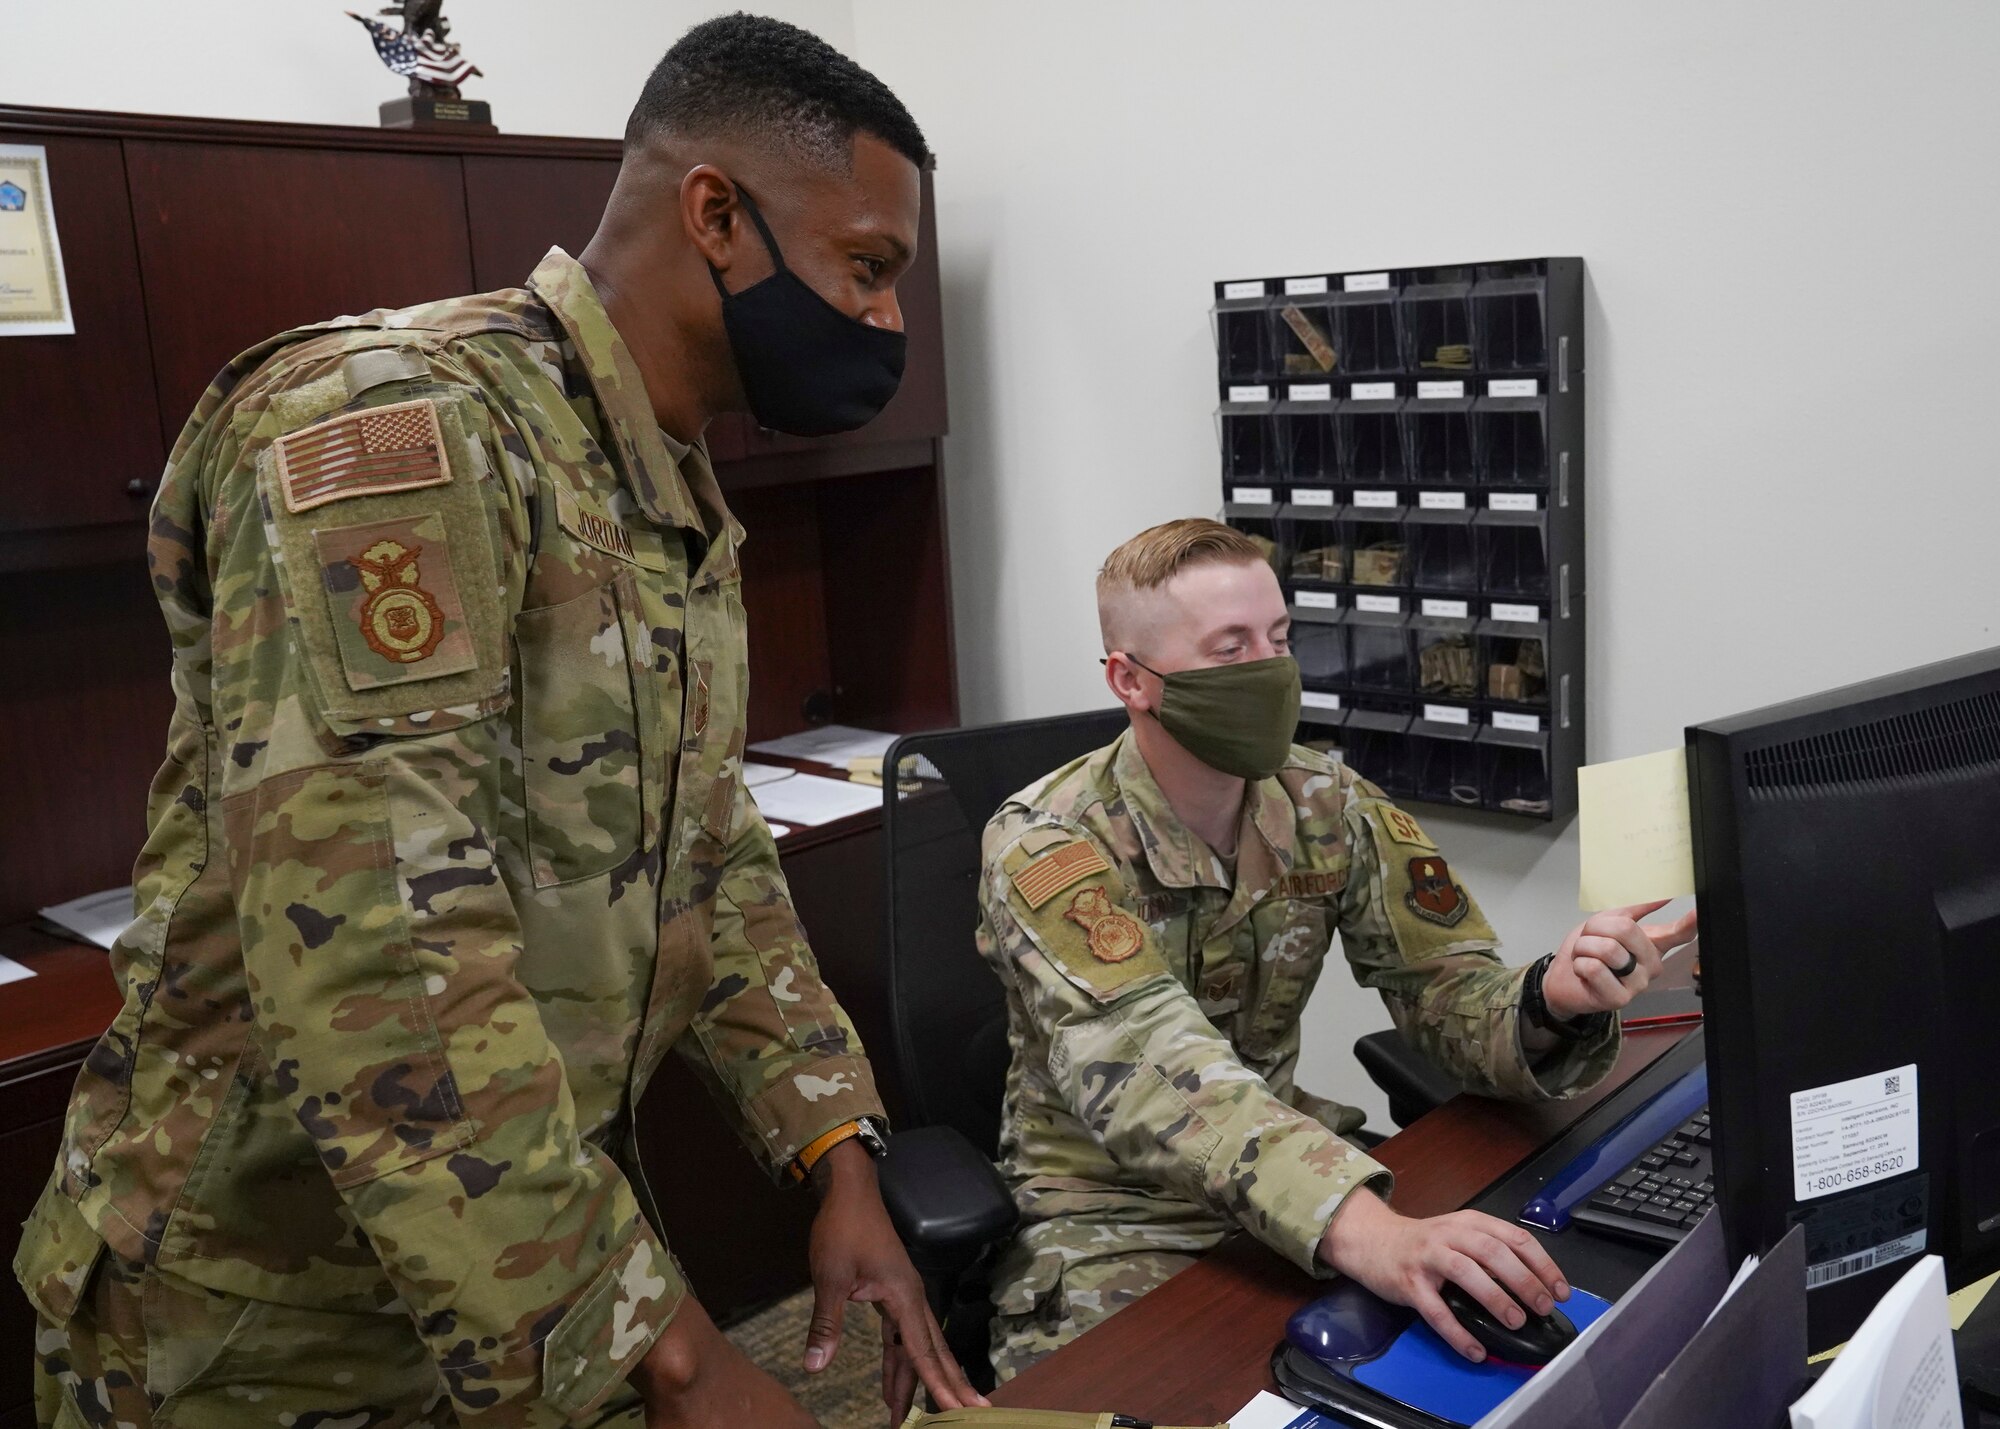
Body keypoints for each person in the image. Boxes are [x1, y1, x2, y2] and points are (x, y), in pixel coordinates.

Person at [13, 15, 983, 1428]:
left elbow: (709, 855)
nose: (888, 322)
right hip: (268, 1316)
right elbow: (383, 958)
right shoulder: (405, 428)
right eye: (868, 269)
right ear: (715, 213)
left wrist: (834, 1144)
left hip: (515, 1274)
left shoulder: (662, 482)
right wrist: (681, 1352)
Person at [976, 518, 1697, 1380]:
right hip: (1113, 1212)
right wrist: (1370, 1231)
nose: (1271, 669)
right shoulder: (1046, 844)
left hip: (1295, 1168)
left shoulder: (1325, 800)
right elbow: (1153, 1071)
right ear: (1132, 679)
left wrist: (1552, 999)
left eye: (1279, 637)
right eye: (1229, 646)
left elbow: (1446, 986)